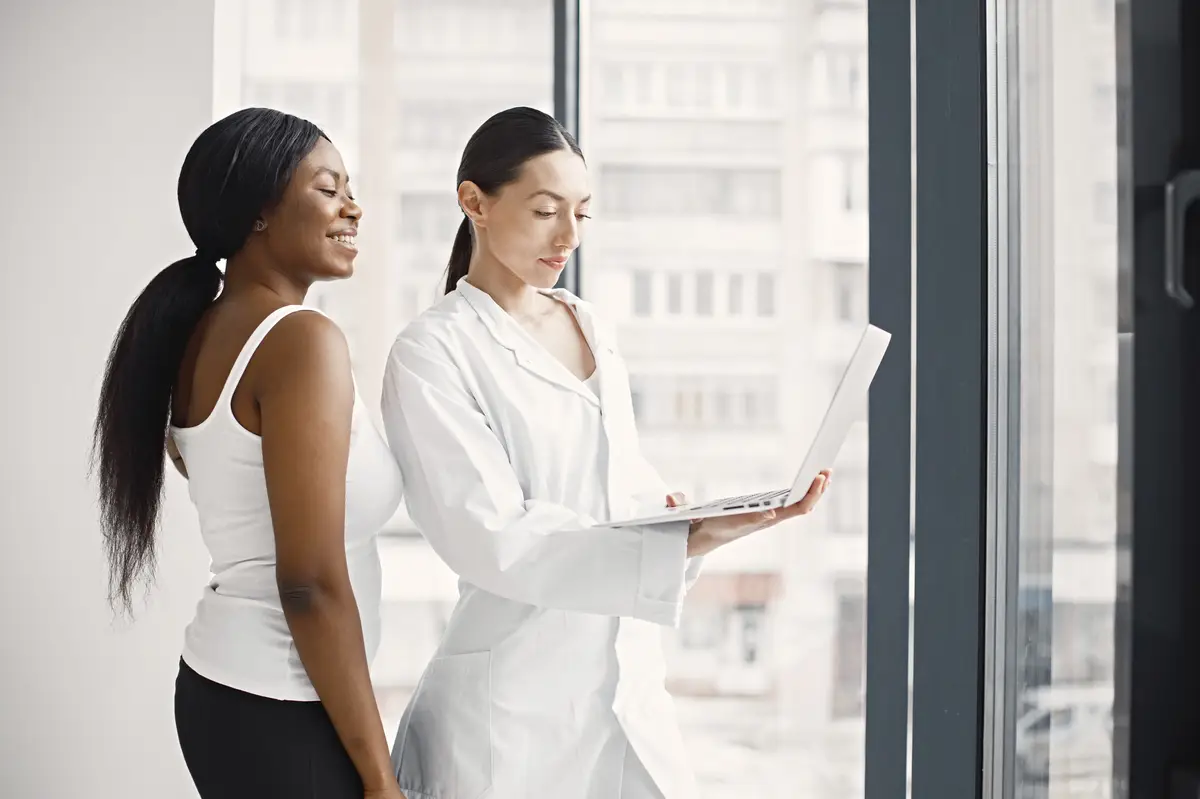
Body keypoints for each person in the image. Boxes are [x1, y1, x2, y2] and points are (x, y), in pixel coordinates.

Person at [380, 106, 831, 799]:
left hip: (623, 693)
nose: (568, 237)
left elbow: (621, 488)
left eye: (582, 215)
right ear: (474, 201)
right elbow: (491, 536)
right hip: (509, 718)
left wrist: (698, 521)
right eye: (544, 211)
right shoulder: (432, 352)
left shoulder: (585, 321)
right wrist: (675, 544)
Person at [92, 107, 407, 799]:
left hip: (229, 691)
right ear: (262, 209)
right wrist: (381, 779)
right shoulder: (300, 341)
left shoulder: (201, 331)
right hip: (283, 705)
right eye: (329, 188)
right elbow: (310, 583)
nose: (354, 207)